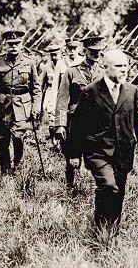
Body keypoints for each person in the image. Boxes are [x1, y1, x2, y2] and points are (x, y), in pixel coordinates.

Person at [69, 49, 138, 231]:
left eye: (126, 66)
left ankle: (112, 229)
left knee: (119, 191)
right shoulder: (90, 91)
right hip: (97, 152)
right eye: (119, 66)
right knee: (108, 186)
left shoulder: (133, 91)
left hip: (124, 152)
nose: (124, 70)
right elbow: (78, 125)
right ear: (105, 67)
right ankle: (100, 228)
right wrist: (74, 154)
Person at [0, 30, 41, 175]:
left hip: (22, 106)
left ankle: (17, 164)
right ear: (6, 45)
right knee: (3, 140)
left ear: (21, 44)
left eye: (17, 44)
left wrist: (36, 107)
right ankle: (5, 171)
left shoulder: (29, 62)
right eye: (11, 44)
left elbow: (36, 88)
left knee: (18, 137)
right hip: (2, 106)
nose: (14, 46)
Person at [55, 36, 105, 189]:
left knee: (97, 156)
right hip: (75, 120)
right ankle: (70, 187)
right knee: (72, 157)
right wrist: (60, 124)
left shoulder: (104, 73)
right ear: (85, 51)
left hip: (97, 122)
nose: (96, 54)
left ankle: (99, 187)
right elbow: (62, 99)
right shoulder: (72, 72)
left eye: (99, 51)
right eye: (93, 51)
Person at [40, 44, 68, 139]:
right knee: (51, 115)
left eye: (56, 54)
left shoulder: (65, 65)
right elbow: (41, 83)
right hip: (51, 91)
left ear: (61, 54)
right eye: (52, 55)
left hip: (63, 92)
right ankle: (53, 138)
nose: (54, 57)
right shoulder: (46, 67)